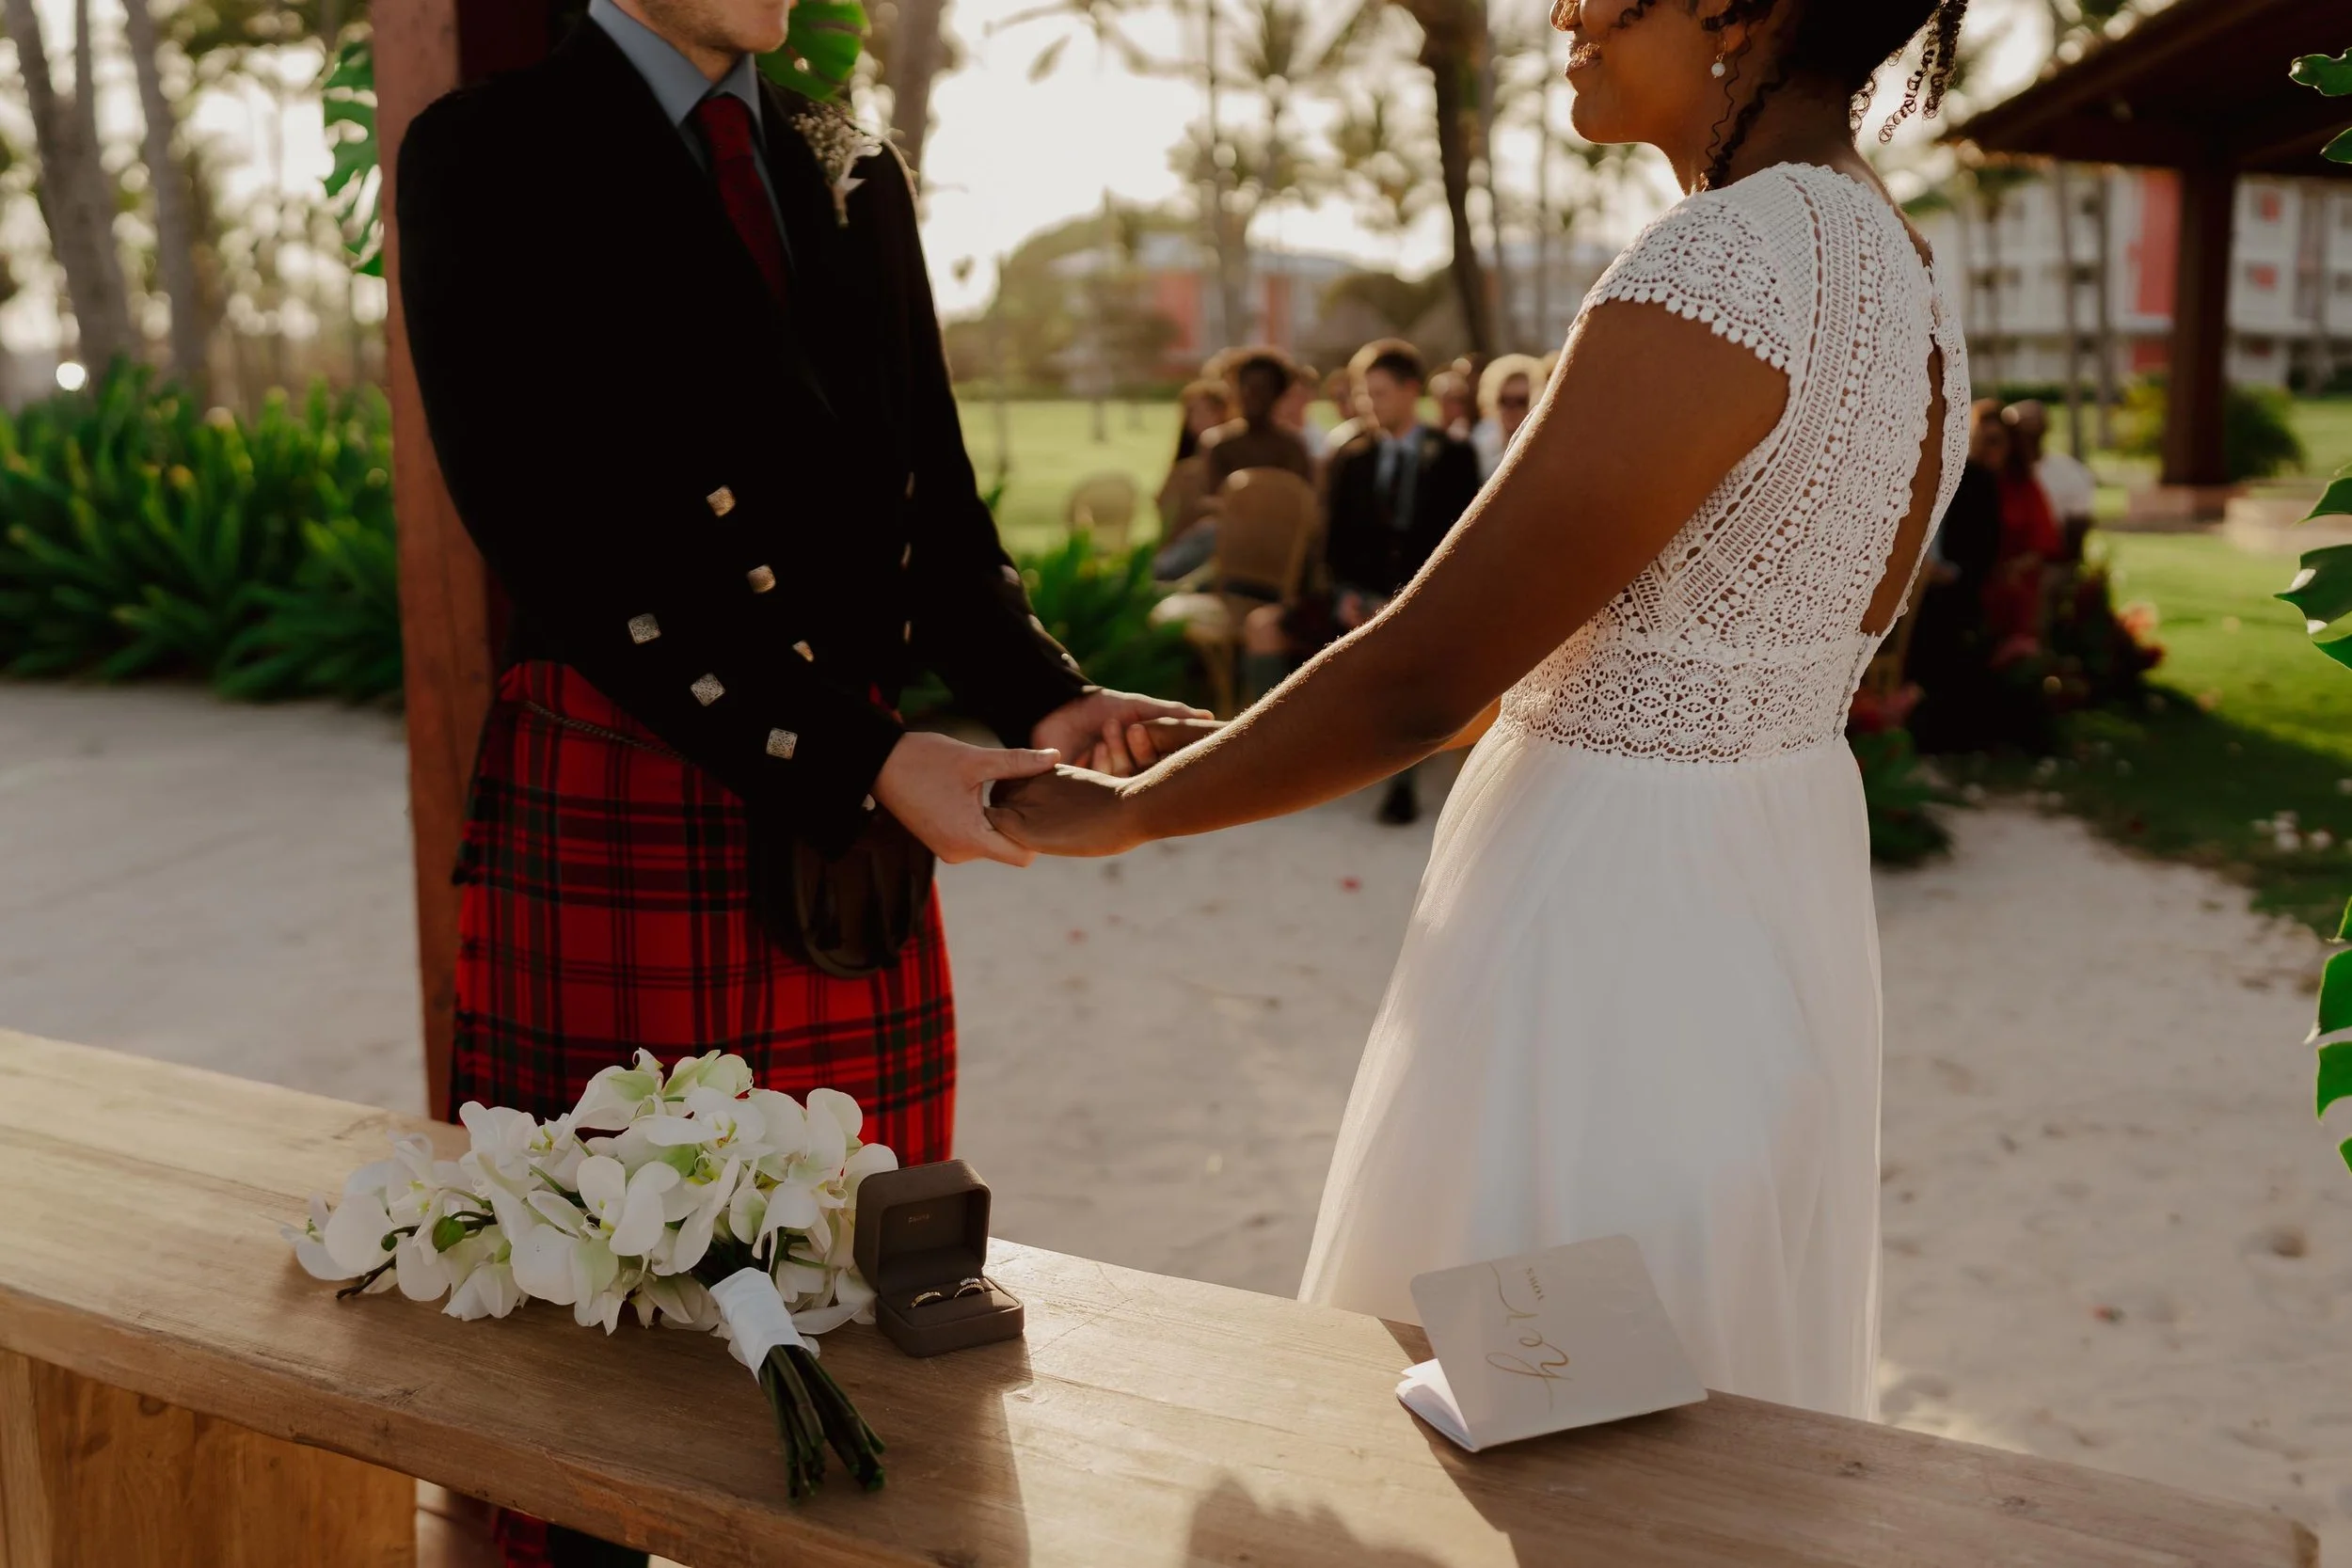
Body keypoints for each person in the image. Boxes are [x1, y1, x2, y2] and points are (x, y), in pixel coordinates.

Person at [993, 0, 1971, 1423]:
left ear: (1739, 8)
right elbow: (1602, 647)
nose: (1562, 9)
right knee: (1671, 1421)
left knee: (1528, 1410)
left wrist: (1132, 812)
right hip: (1772, 893)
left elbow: (1422, 677)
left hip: (1609, 926)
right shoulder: (1903, 274)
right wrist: (1237, 743)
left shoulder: (1728, 260)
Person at [397, 3, 1201, 1560]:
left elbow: (930, 503)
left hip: (848, 819)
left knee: (863, 1280)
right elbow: (553, 525)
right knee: (592, 1319)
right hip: (636, 772)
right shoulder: (487, 154)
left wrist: (1047, 693)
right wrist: (865, 753)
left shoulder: (848, 165)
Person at [1318, 342, 1483, 824]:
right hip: (1361, 596)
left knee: (1405, 651)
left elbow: (1463, 538)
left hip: (1428, 601)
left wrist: (1415, 602)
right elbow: (1334, 541)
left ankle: (1400, 783)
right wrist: (1346, 592)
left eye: (1380, 393)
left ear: (1412, 390)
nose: (1369, 404)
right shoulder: (1352, 456)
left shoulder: (1453, 455)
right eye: (1364, 394)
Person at [1154, 353, 1318, 581]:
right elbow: (1208, 499)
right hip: (1226, 537)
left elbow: (1303, 501)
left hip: (1277, 540)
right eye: (1246, 388)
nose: (1252, 396)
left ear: (1277, 394)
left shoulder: (1292, 447)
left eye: (1262, 389)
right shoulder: (1219, 444)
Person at [2009, 398, 2096, 562]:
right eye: (2019, 430)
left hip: (2053, 561)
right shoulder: (1994, 475)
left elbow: (2078, 526)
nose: (2027, 434)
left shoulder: (2070, 471)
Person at [1156, 379, 1236, 549]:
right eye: (1191, 412)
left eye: (1204, 411)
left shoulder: (1236, 453)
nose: (1196, 419)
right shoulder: (1185, 466)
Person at [1471, 353, 1546, 479]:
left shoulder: (1546, 445)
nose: (1512, 409)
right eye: (1504, 401)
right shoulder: (1479, 444)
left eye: (1521, 401)